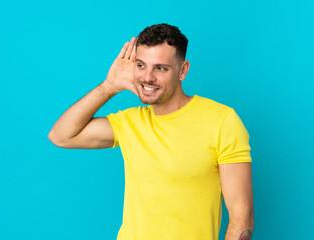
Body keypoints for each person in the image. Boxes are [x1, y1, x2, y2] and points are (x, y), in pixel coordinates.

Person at [48, 23, 254, 240]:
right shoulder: (129, 122)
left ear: (182, 70)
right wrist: (109, 86)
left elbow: (242, 215)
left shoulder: (222, 121)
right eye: (140, 65)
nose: (147, 77)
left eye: (160, 68)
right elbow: (61, 136)